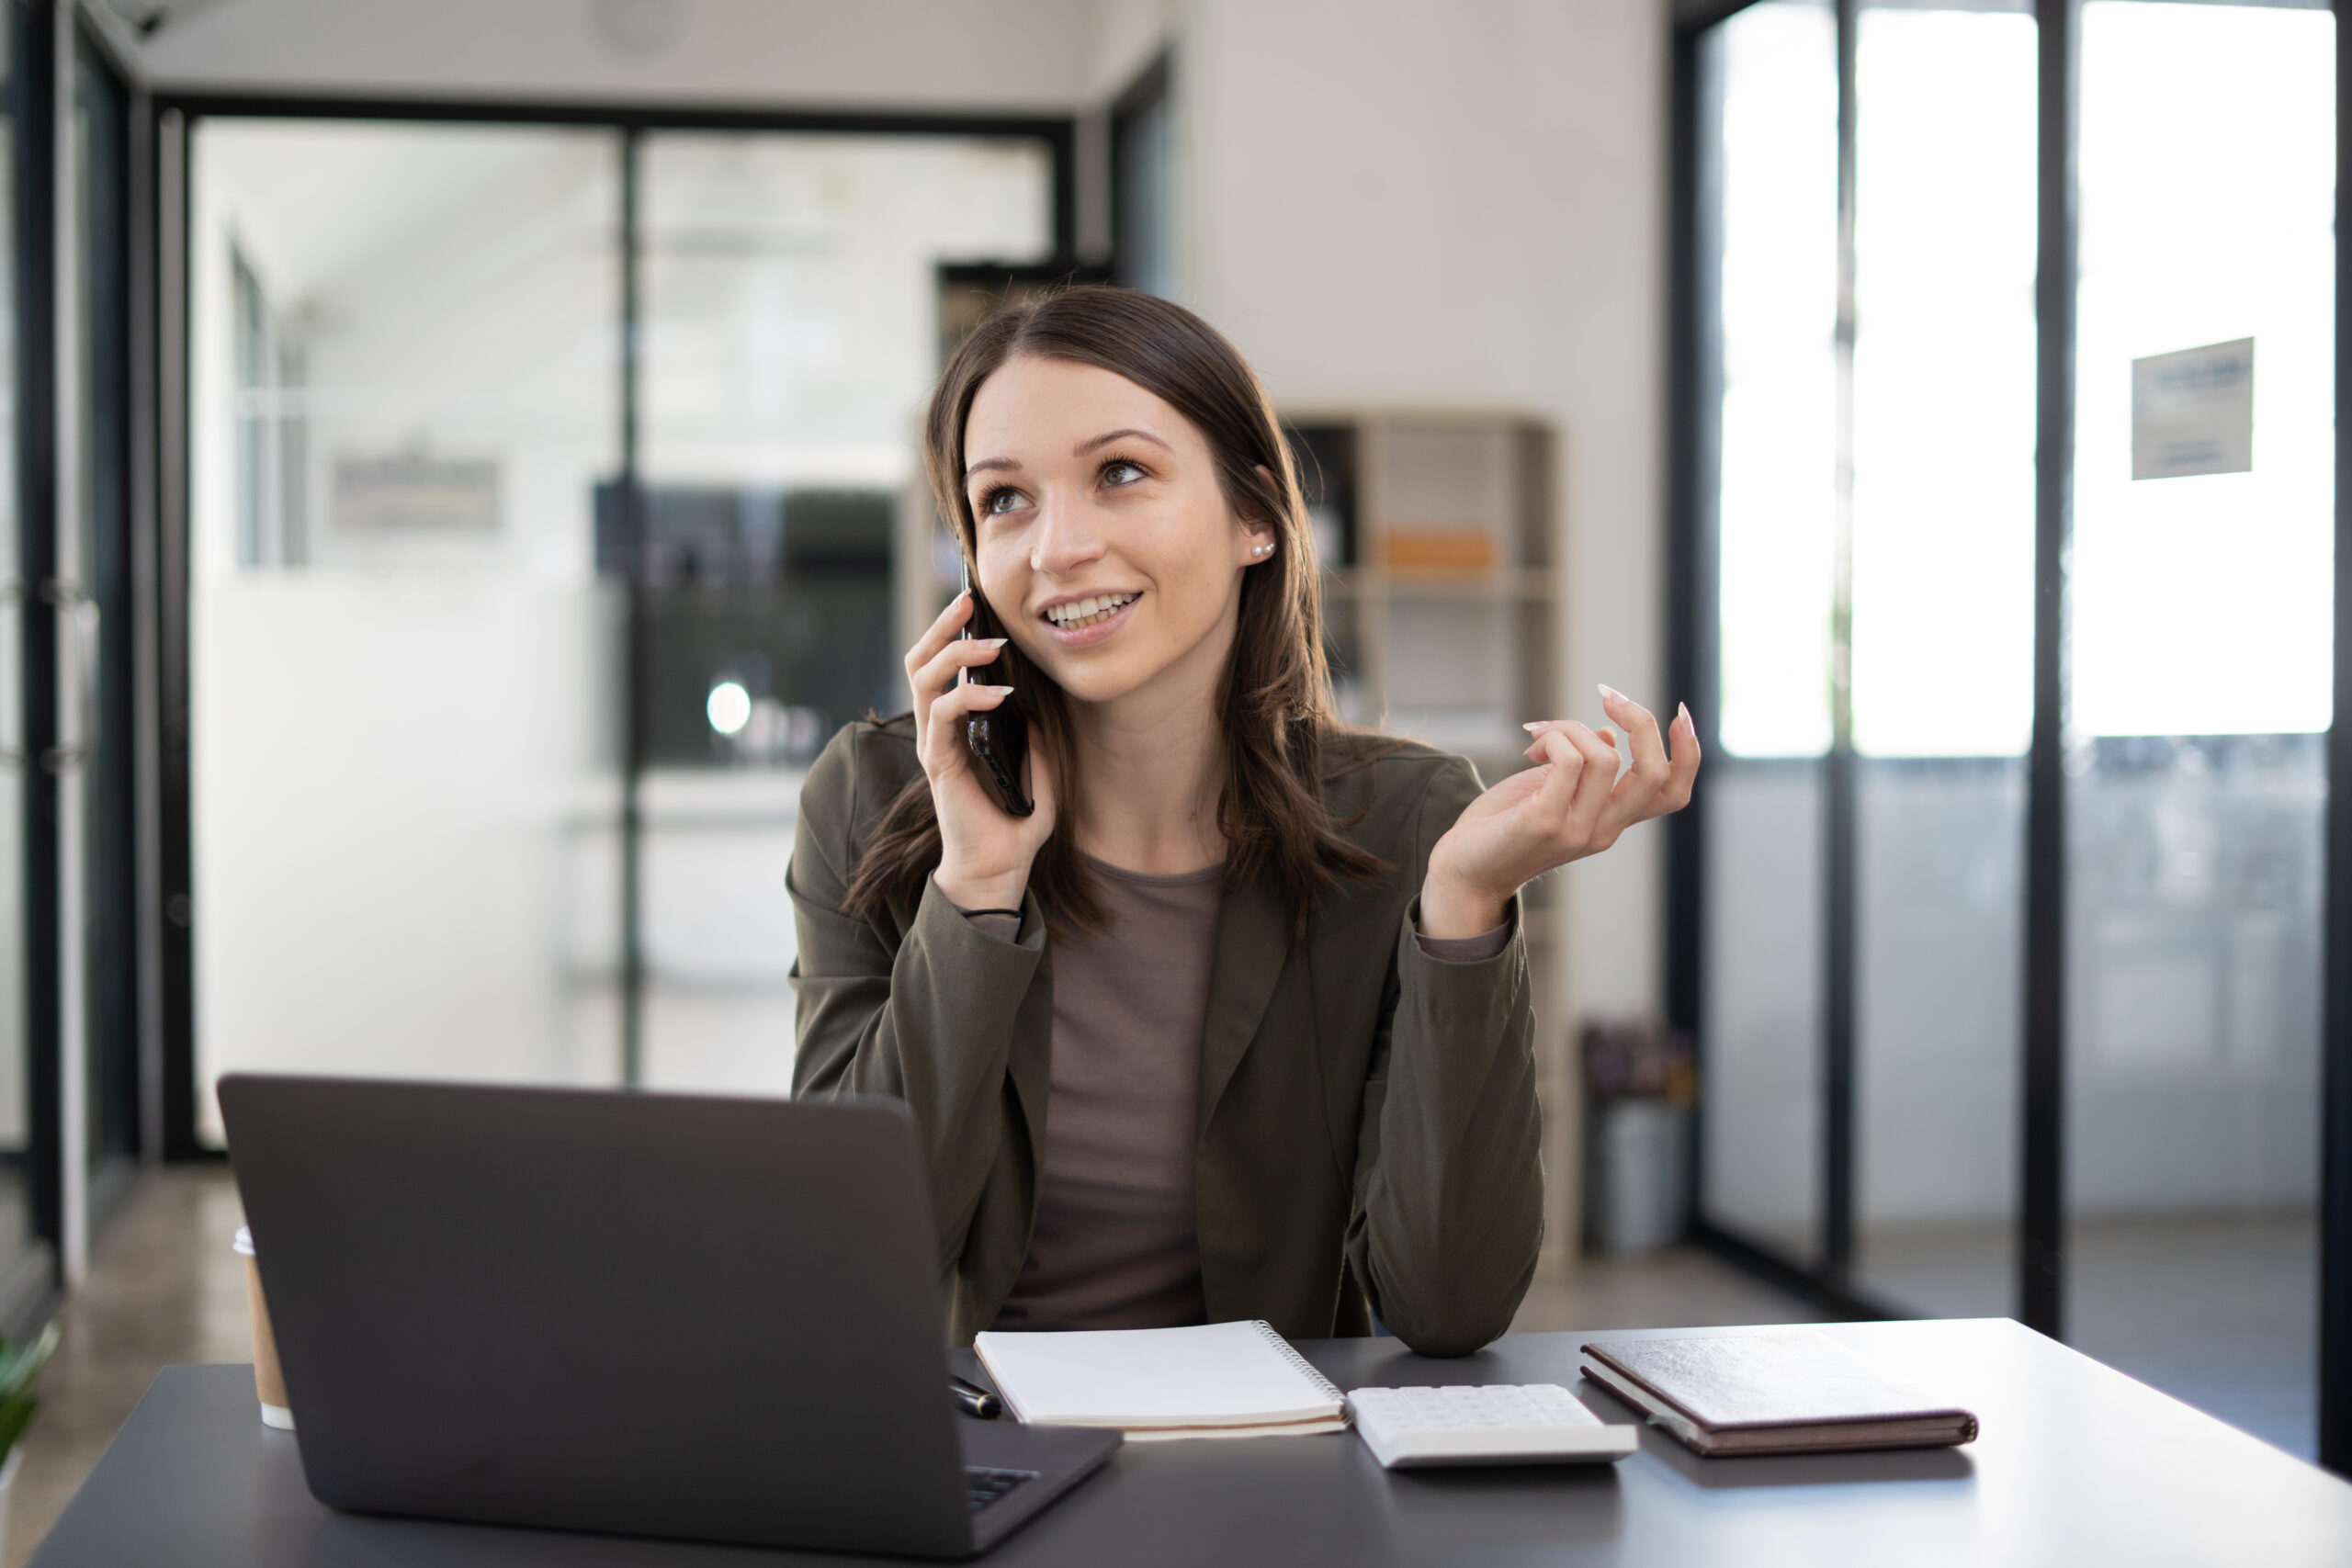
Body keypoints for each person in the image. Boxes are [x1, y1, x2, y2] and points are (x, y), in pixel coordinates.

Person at [789, 288, 1697, 1357]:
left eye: (1119, 473)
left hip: (1270, 1472)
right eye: (1004, 501)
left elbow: (1445, 1308)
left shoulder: (1406, 821)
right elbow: (845, 1257)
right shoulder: (877, 794)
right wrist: (975, 891)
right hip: (974, 1456)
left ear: (1255, 518)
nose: (1057, 548)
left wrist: (1461, 911)